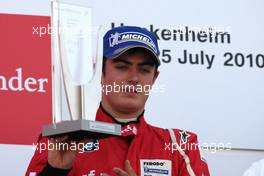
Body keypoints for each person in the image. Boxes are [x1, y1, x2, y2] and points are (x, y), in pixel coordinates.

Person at [26, 26, 210, 176]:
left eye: (144, 70)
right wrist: (55, 172)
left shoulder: (180, 145)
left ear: (154, 78)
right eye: (122, 67)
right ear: (99, 73)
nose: (134, 78)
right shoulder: (65, 137)